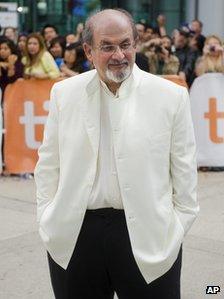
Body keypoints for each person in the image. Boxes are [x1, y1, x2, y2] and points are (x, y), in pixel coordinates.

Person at [34, 8, 199, 299]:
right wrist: (47, 217)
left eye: (125, 44)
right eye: (107, 46)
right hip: (76, 234)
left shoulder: (171, 97)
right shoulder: (64, 94)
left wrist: (177, 227)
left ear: (135, 43)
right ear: (88, 50)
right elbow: (49, 164)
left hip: (151, 237)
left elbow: (184, 171)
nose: (119, 55)